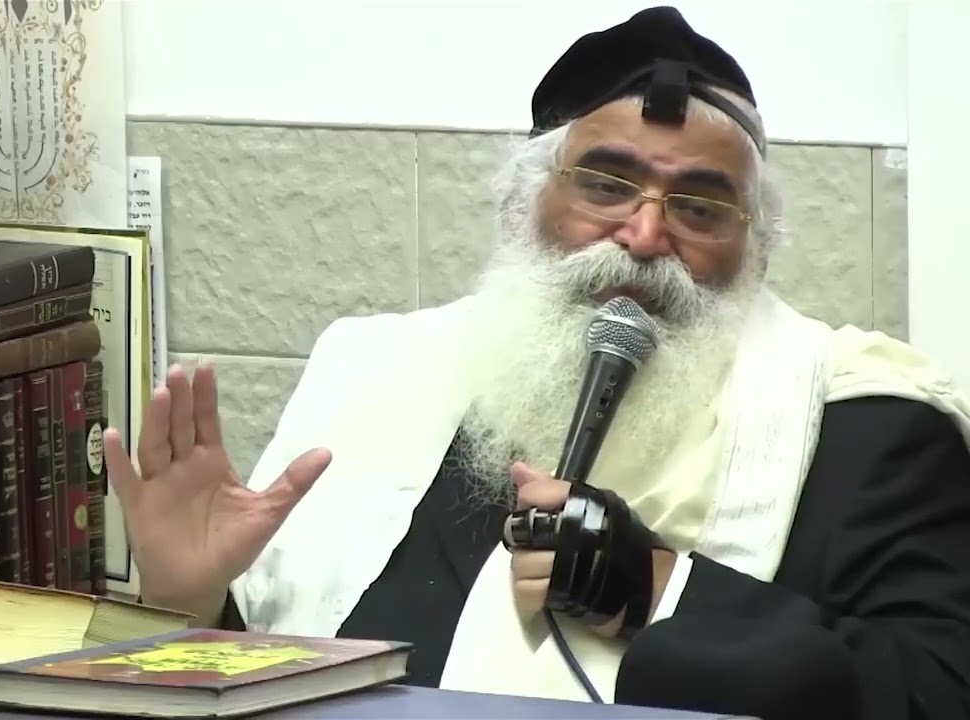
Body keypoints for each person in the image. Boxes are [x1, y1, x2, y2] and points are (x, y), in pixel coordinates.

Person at [104, 6, 970, 720]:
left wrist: (660, 588)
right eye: (605, 185)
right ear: (524, 202)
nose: (644, 234)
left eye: (700, 208)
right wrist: (190, 603)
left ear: (756, 247)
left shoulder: (865, 423)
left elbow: (936, 692)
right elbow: (268, 671)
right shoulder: (378, 372)